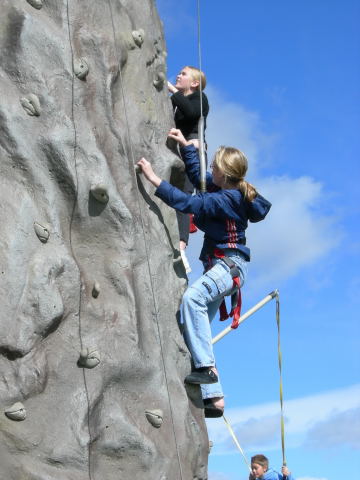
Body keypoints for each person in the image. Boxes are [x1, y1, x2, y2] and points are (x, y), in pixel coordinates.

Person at [137, 128, 271, 417]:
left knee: (192, 300)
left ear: (224, 174)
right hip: (225, 267)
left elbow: (190, 203)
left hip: (229, 265)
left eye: (215, 168)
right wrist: (187, 147)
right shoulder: (225, 188)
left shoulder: (228, 199)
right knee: (195, 324)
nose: (211, 171)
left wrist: (153, 179)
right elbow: (200, 177)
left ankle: (207, 372)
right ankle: (215, 398)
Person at [168, 66, 209, 272]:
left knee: (184, 196)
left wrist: (171, 90)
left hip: (192, 150)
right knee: (173, 194)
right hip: (178, 152)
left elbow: (192, 113)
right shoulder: (177, 103)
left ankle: (181, 247)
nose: (178, 75)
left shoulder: (200, 98)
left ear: (194, 83)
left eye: (183, 74)